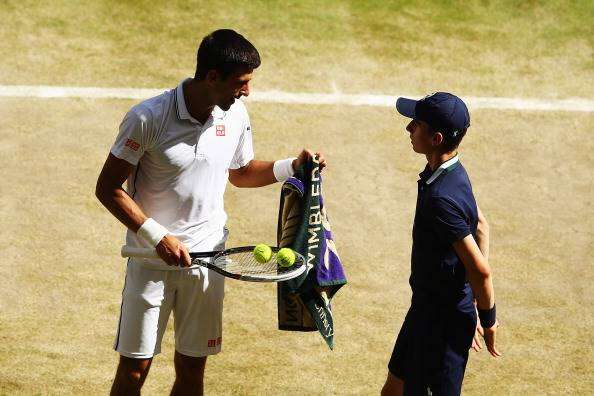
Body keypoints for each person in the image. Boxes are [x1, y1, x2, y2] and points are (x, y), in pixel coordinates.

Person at [95, 29, 325, 396]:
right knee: (135, 370)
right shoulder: (146, 118)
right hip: (150, 262)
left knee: (191, 366)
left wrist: (290, 166)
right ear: (212, 77)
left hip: (207, 261)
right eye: (241, 82)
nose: (247, 91)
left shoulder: (235, 116)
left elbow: (241, 173)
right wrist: (158, 237)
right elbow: (107, 188)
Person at [381, 92, 500, 396]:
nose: (409, 128)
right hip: (424, 309)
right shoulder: (450, 173)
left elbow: (481, 270)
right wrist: (470, 298)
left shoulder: (441, 199)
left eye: (416, 124)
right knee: (393, 391)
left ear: (435, 138)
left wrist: (487, 320)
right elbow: (482, 226)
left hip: (441, 325)